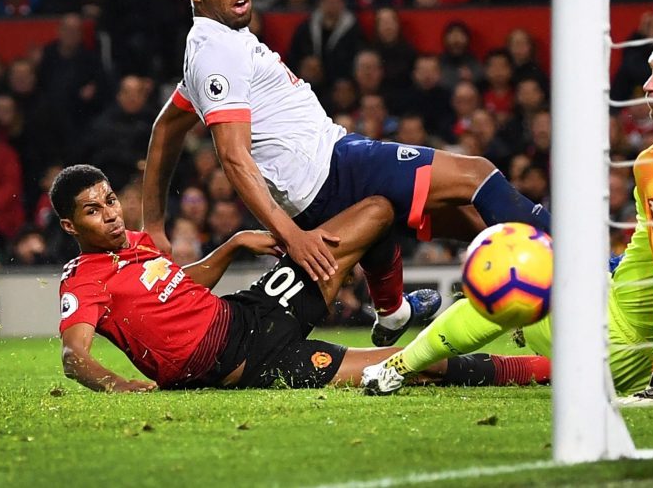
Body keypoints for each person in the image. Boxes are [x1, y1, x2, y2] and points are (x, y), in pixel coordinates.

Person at [362, 12, 653, 403]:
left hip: (618, 350)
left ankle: (397, 365)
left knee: (516, 262)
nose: (648, 85)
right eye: (651, 69)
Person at [142, 0, 551, 349]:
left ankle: (394, 314)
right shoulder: (219, 53)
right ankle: (583, 266)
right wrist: (290, 235)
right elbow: (233, 155)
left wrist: (154, 225)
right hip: (332, 172)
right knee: (476, 174)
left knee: (460, 218)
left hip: (328, 170)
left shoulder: (212, 46)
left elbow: (165, 131)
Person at [55, 164, 549, 393]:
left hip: (254, 310)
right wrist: (124, 389)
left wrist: (232, 245)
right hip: (248, 365)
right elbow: (74, 357)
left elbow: (181, 286)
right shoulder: (83, 281)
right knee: (411, 366)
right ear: (70, 226)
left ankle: (391, 307)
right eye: (94, 211)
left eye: (111, 201)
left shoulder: (137, 245)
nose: (112, 216)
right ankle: (548, 371)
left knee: (377, 209)